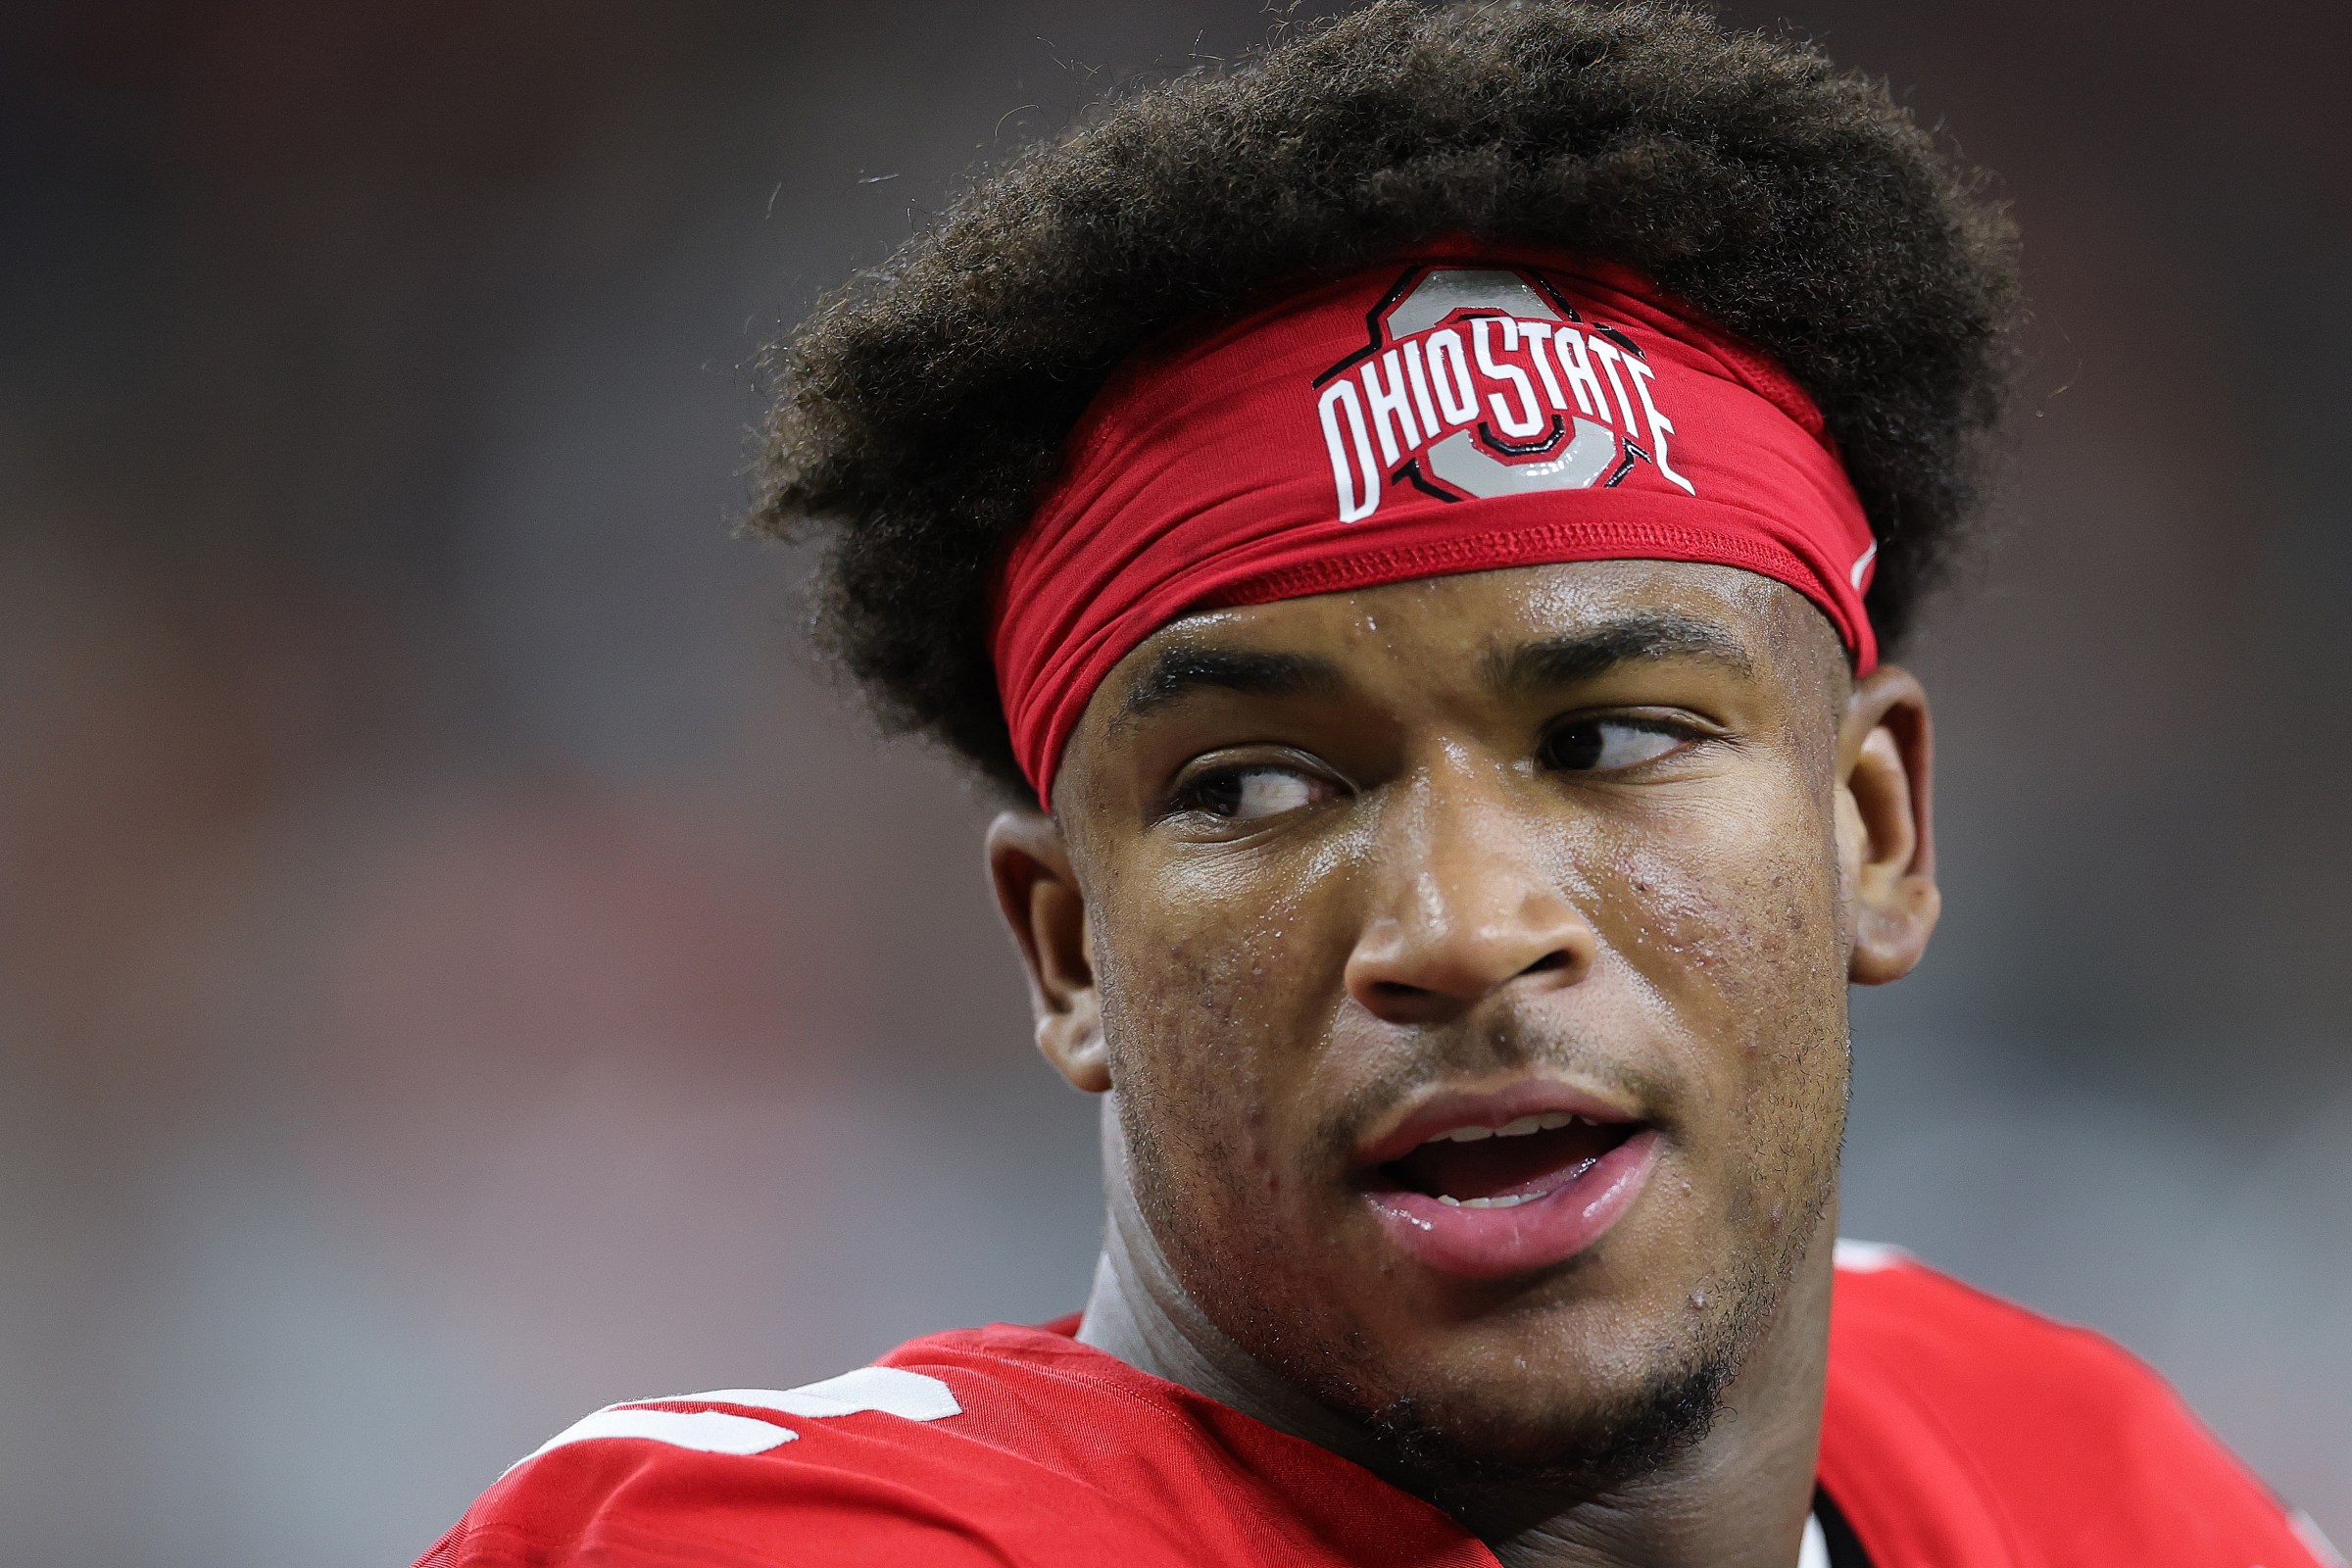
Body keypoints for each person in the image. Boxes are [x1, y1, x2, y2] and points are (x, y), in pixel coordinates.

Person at [414, 4, 2340, 1564]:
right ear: (1065, 944)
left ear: (1876, 829)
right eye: (1254, 784)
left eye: (1608, 737)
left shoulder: (2094, 1480)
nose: (1464, 922)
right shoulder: (791, 1542)